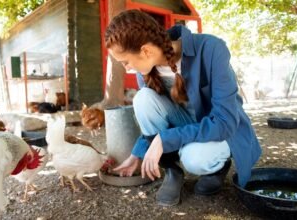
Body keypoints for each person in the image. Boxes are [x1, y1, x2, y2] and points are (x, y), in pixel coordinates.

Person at [105, 9, 262, 206]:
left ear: (145, 50)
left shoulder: (212, 49)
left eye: (125, 61)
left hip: (220, 129)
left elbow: (225, 122)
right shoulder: (145, 69)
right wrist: (138, 153)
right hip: (186, 126)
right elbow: (152, 118)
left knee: (194, 159)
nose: (127, 68)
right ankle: (172, 170)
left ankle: (217, 166)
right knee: (142, 99)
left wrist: (166, 139)